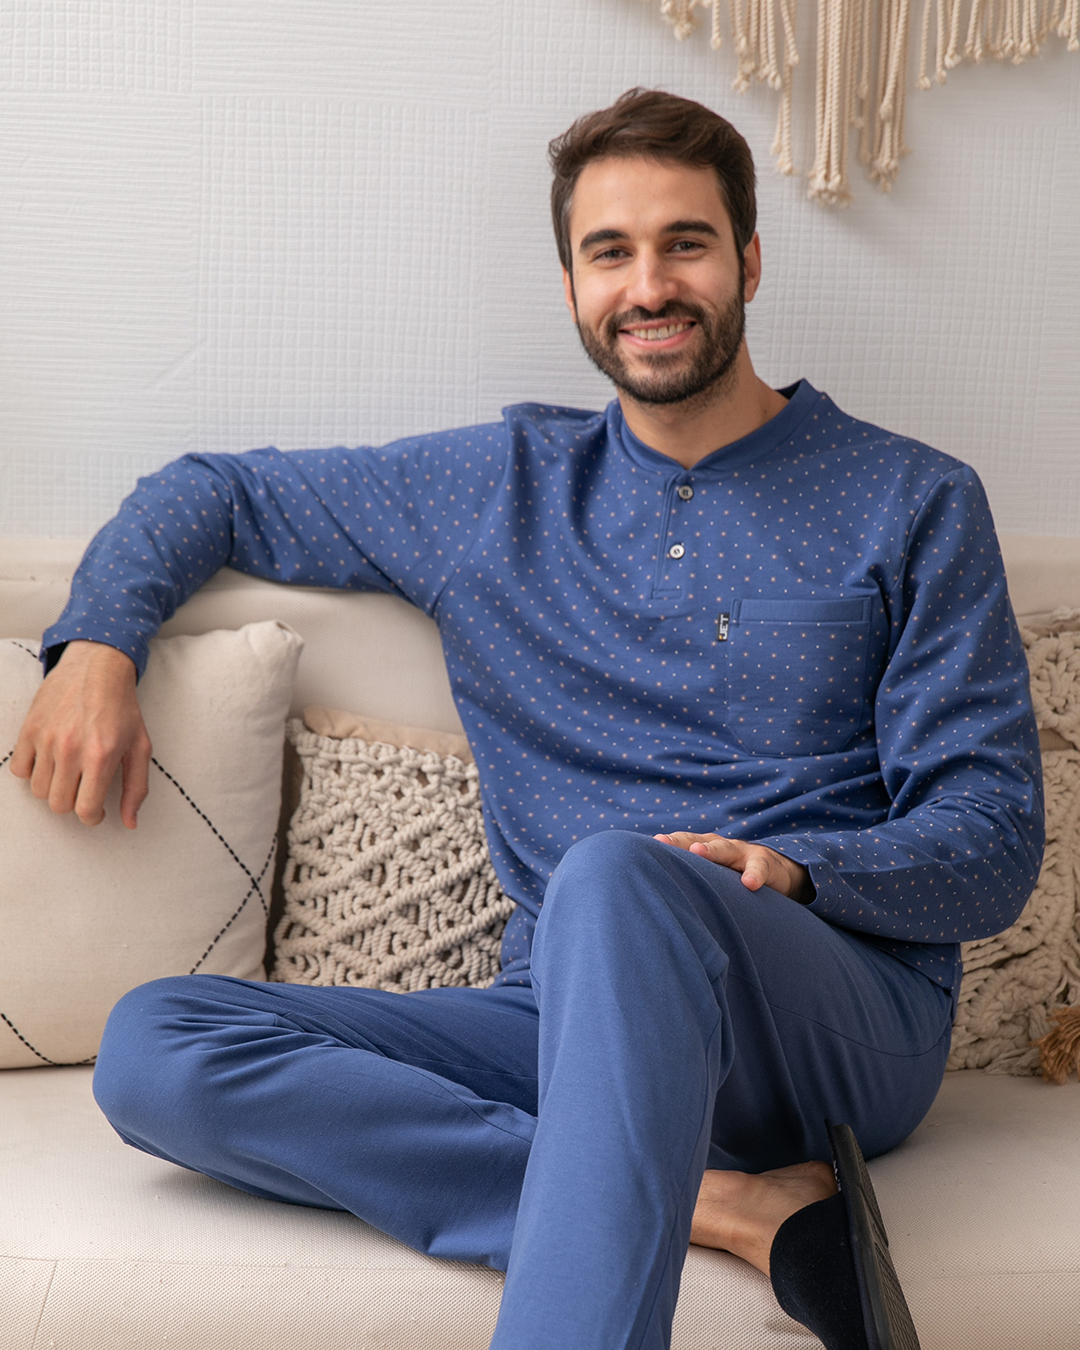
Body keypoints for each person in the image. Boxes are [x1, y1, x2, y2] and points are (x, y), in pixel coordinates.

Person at [11, 88, 1043, 1350]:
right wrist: (98, 643)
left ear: (749, 260)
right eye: (611, 252)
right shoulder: (492, 490)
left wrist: (798, 868)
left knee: (616, 873)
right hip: (564, 1017)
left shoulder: (912, 498)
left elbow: (993, 841)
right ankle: (725, 1205)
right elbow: (213, 492)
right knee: (157, 1045)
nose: (648, 285)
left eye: (685, 243)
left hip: (832, 1018)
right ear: (570, 287)